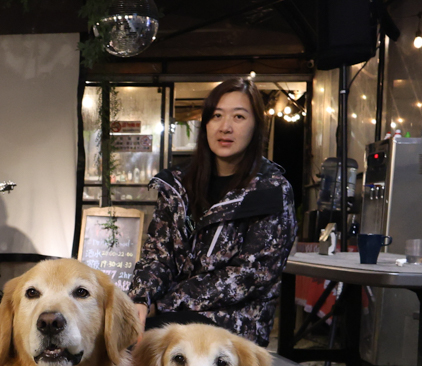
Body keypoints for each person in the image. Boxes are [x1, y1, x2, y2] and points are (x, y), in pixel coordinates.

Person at [127, 77, 297, 348]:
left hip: (235, 323)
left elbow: (249, 275)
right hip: (173, 313)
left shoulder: (271, 190)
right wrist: (140, 299)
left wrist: (166, 303)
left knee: (146, 345)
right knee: (112, 340)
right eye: (217, 116)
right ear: (205, 124)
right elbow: (157, 254)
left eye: (239, 116)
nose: (225, 127)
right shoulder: (179, 184)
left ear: (256, 127)